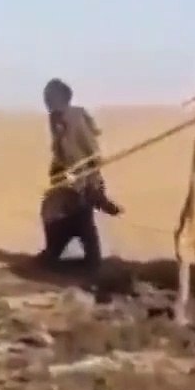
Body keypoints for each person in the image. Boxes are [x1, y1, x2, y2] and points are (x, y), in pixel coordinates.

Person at [35, 78, 123, 269]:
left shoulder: (75, 117)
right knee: (52, 213)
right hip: (65, 179)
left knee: (83, 217)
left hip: (84, 180)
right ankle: (55, 251)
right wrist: (61, 172)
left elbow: (92, 152)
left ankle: (92, 261)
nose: (47, 102)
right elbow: (60, 150)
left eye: (49, 98)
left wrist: (85, 175)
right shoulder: (54, 118)